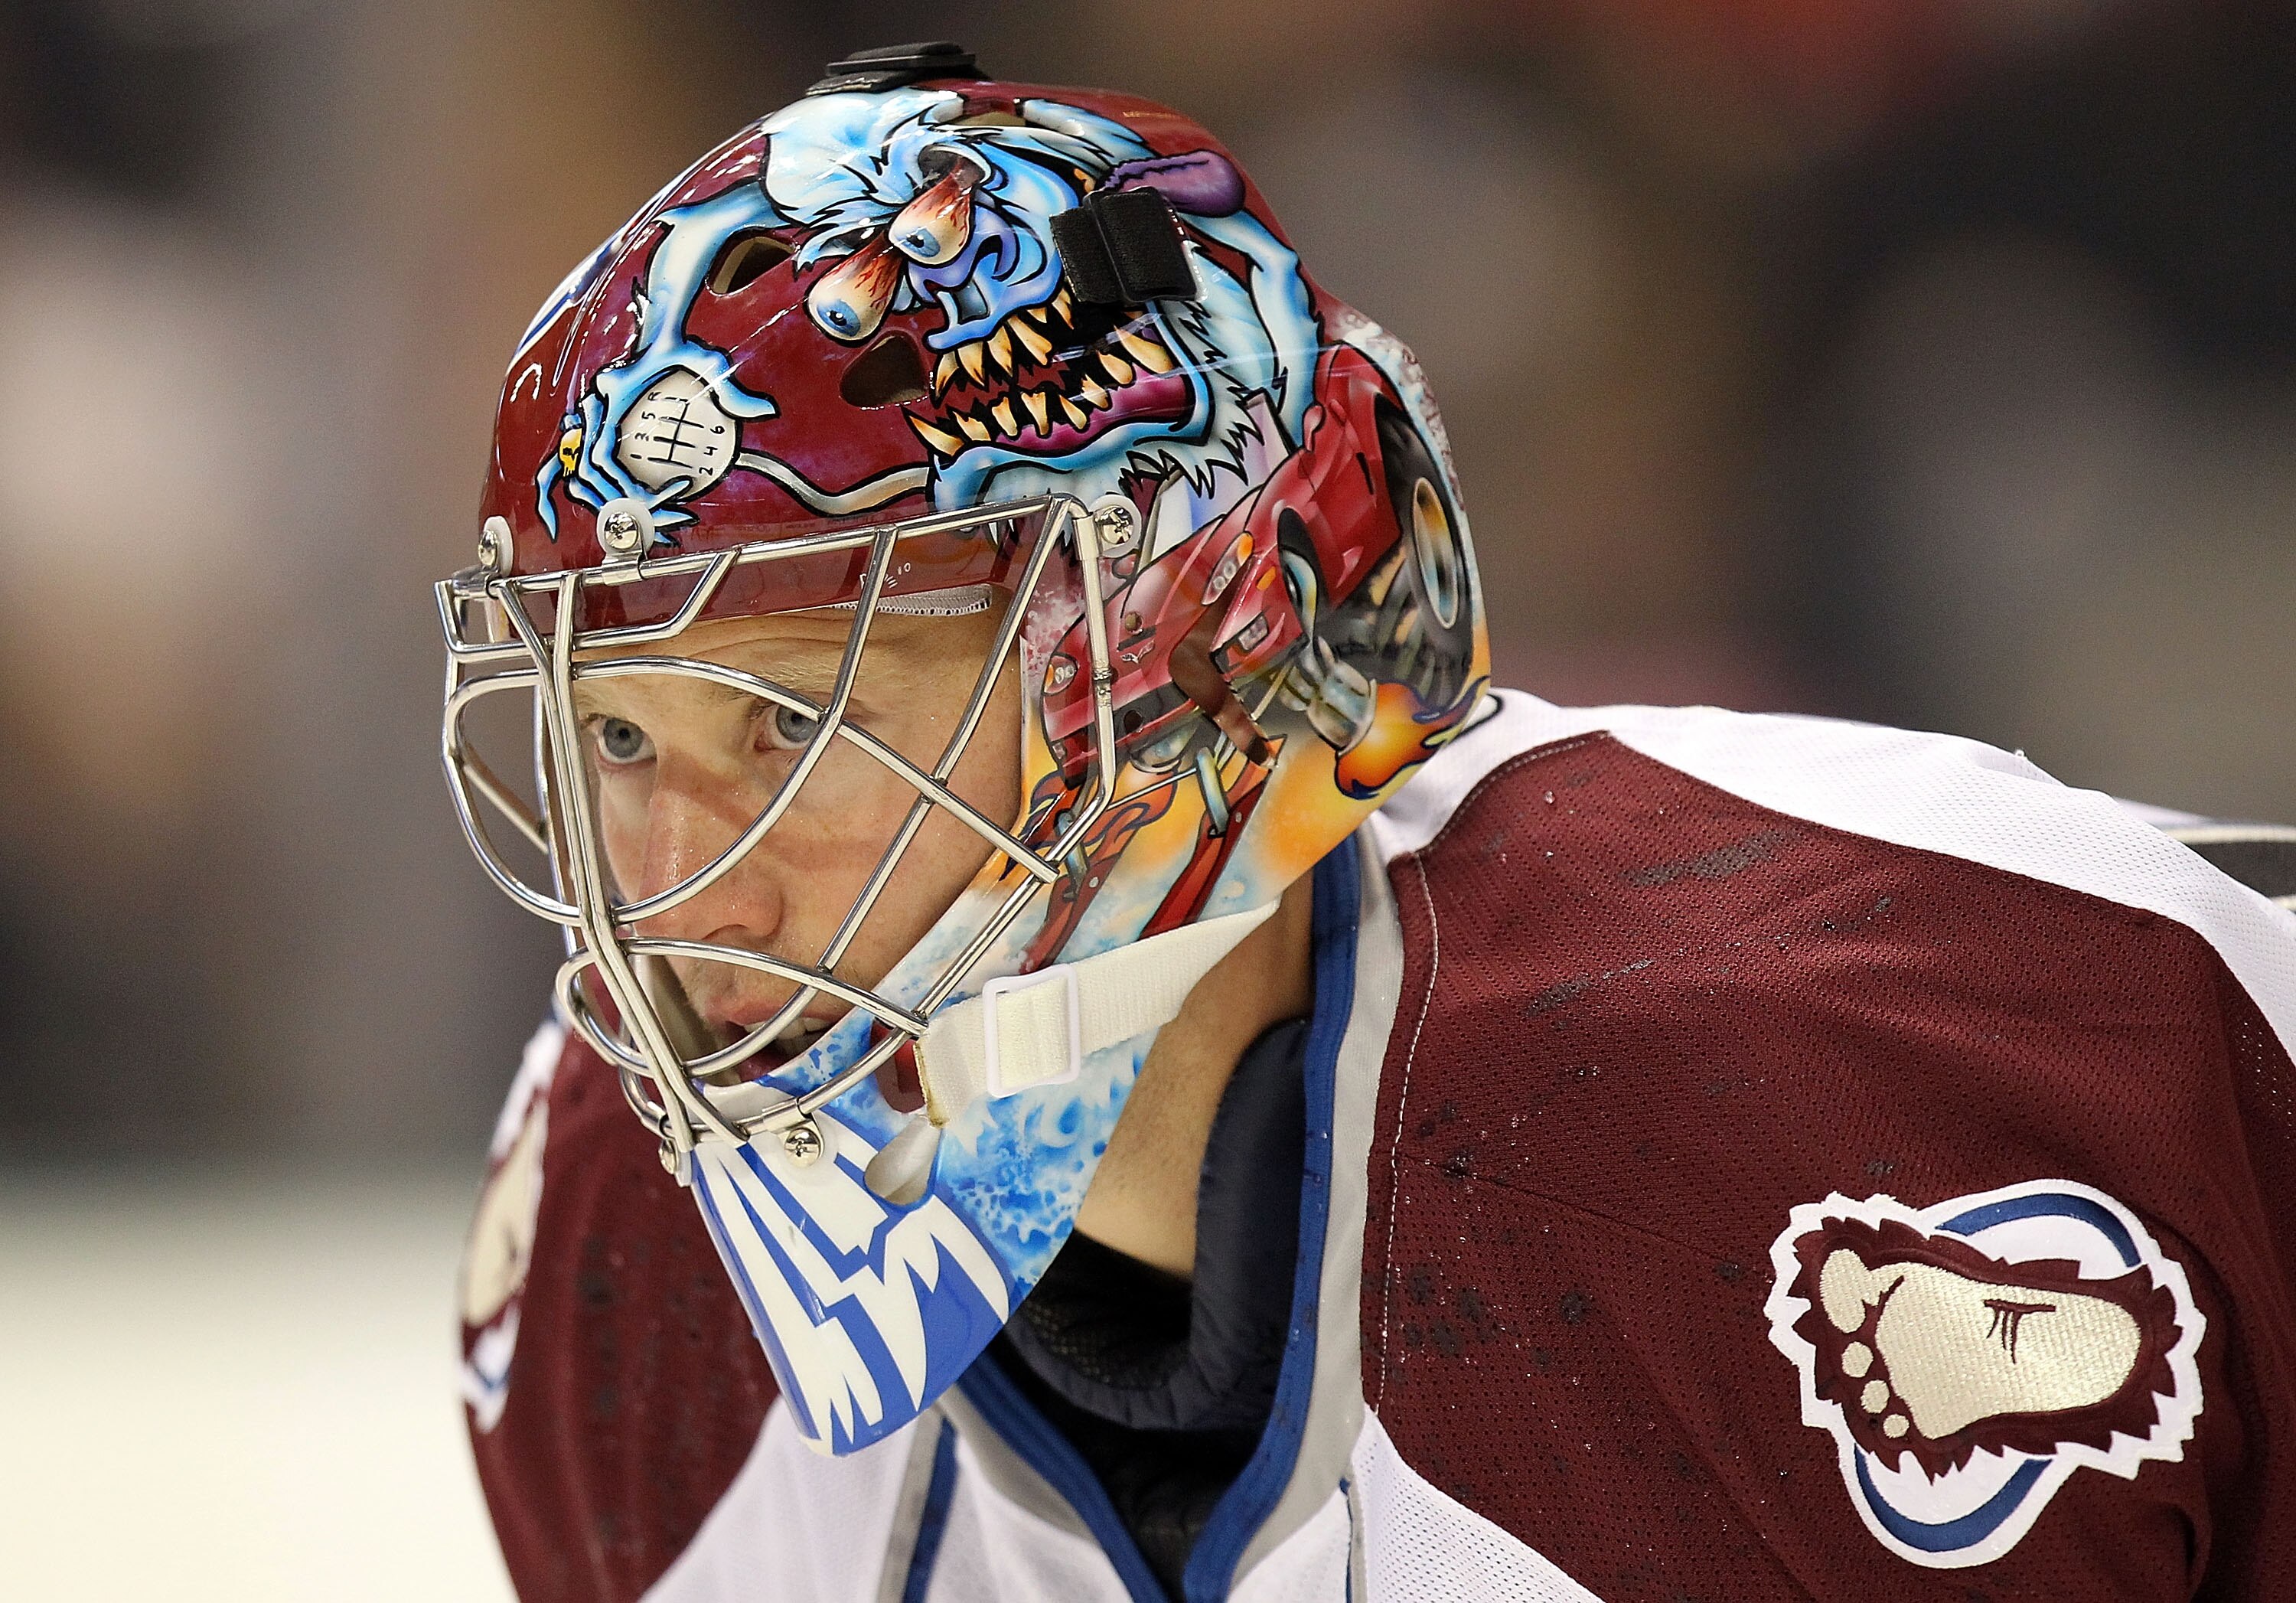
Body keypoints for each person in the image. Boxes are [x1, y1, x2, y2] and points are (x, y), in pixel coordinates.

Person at [439, 44, 2296, 1602]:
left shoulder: (1895, 1057)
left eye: (782, 716)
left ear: (1186, 652)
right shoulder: (626, 1261)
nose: (675, 884)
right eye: (615, 731)